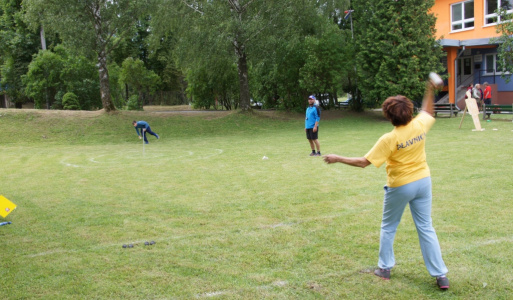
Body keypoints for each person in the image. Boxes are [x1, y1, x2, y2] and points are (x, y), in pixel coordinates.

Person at [322, 77, 449, 290]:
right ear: (409, 111)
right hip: (423, 181)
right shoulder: (419, 125)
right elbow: (428, 110)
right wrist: (429, 88)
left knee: (389, 226)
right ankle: (441, 275)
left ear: (389, 116)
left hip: (401, 185)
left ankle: (385, 268)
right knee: (426, 228)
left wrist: (337, 158)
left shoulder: (389, 138)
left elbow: (364, 162)